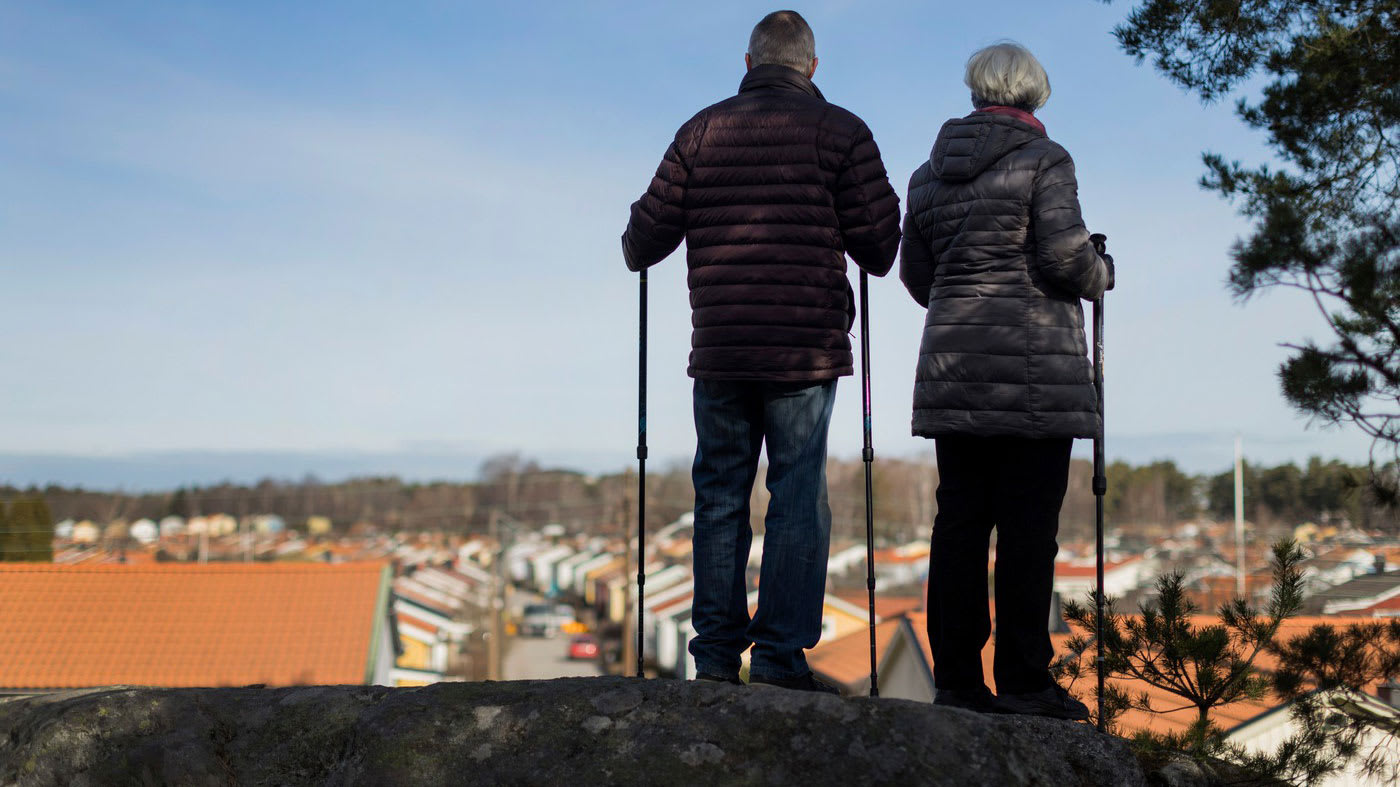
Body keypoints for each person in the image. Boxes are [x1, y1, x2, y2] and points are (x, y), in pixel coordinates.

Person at [622, 10, 900, 693]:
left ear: (748, 66)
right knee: (796, 495)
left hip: (720, 345)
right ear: (812, 67)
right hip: (805, 348)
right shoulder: (842, 131)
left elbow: (641, 242)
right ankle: (779, 659)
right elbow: (881, 246)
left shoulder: (700, 131)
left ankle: (715, 658)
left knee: (718, 496)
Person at [899, 42, 1113, 718]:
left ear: (975, 90)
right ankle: (1024, 680)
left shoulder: (926, 176)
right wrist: (1100, 270)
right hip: (1034, 373)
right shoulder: (1047, 161)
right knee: (1027, 528)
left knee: (960, 522)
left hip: (954, 370)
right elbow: (1063, 257)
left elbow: (916, 276)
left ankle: (958, 681)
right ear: (1034, 94)